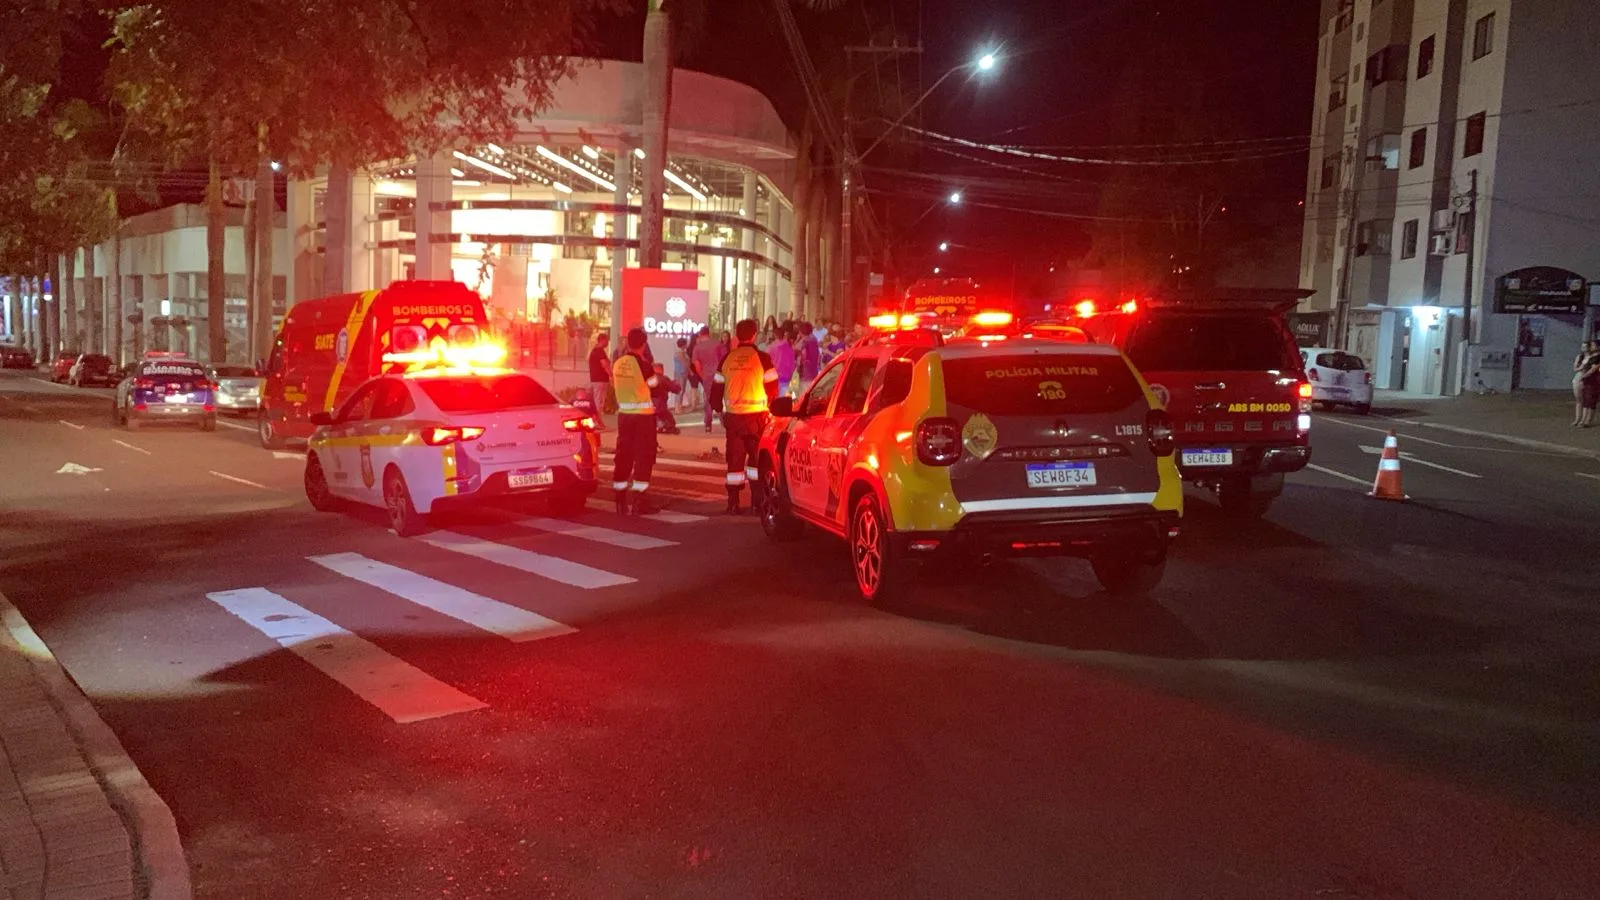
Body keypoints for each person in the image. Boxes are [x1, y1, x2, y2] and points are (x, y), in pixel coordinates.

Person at [714, 318, 778, 514]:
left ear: (737, 335)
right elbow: (772, 388)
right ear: (754, 335)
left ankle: (732, 503)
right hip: (757, 418)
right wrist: (772, 408)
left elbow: (716, 389)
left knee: (734, 461)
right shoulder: (762, 358)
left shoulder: (727, 359)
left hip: (733, 418)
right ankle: (757, 503)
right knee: (757, 461)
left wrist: (719, 410)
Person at [609, 327, 661, 515]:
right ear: (644, 344)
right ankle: (640, 501)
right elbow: (655, 387)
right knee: (643, 458)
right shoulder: (644, 365)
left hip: (624, 416)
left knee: (623, 456)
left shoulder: (618, 363)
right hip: (643, 418)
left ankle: (620, 499)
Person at [691, 325, 727, 433]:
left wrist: (702, 375)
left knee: (708, 399)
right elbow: (725, 359)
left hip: (706, 375)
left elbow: (697, 365)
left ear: (700, 334)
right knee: (720, 397)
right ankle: (724, 421)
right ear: (709, 333)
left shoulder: (697, 348)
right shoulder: (718, 344)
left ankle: (708, 424)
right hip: (719, 375)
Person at [587, 332, 612, 430]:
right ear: (602, 340)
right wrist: (611, 375)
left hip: (597, 379)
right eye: (606, 340)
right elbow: (604, 364)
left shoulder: (595, 351)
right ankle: (596, 422)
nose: (607, 342)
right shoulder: (599, 351)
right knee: (599, 401)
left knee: (599, 401)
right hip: (600, 380)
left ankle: (598, 422)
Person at [1575, 339, 1600, 428]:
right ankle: (1583, 420)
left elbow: (1594, 369)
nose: (1591, 347)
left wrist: (1584, 375)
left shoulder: (1597, 357)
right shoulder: (1592, 357)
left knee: (1591, 400)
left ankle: (1588, 420)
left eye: (1593, 345)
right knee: (1586, 400)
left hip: (1594, 380)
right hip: (1588, 379)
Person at [768, 322, 796, 399]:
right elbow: (792, 363)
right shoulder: (789, 348)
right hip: (785, 376)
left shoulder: (770, 347)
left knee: (773, 400)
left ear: (775, 335)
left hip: (773, 377)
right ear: (783, 335)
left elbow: (767, 363)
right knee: (783, 399)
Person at [651, 362, 681, 434]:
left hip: (648, 406)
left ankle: (659, 426)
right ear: (661, 369)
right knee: (670, 422)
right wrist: (676, 384)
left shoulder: (648, 379)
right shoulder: (663, 379)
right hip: (660, 406)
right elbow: (675, 389)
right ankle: (667, 428)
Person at [673, 337, 694, 413]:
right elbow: (684, 362)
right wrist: (690, 371)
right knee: (680, 390)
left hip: (683, 373)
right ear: (683, 344)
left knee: (682, 390)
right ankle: (677, 408)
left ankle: (679, 406)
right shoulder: (679, 352)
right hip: (680, 373)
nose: (687, 344)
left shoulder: (683, 352)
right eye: (686, 343)